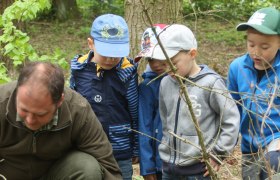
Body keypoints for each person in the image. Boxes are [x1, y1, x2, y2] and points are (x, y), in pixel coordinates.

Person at [146, 24, 240, 179]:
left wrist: (219, 153)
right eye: (164, 64)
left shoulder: (211, 83)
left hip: (199, 167)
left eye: (173, 64)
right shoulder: (165, 83)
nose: (168, 69)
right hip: (169, 166)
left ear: (192, 54)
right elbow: (165, 120)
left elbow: (231, 119)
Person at [0, 61, 122, 180]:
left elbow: (108, 166)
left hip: (53, 173)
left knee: (87, 167)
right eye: (24, 110)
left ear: (59, 101)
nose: (30, 120)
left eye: (40, 114)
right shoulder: (1, 102)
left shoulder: (78, 110)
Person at [70, 14, 138, 180]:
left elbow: (135, 112)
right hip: (85, 146)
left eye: (116, 54)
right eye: (106, 53)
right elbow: (71, 108)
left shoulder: (126, 73)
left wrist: (136, 148)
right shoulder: (79, 71)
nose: (110, 59)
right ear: (91, 44)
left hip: (119, 149)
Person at [227, 7, 280, 180]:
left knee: (273, 164)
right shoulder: (237, 68)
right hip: (250, 147)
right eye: (251, 44)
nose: (256, 52)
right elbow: (231, 109)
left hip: (276, 143)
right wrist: (227, 145)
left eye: (264, 46)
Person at [136, 24, 168, 180]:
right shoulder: (148, 87)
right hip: (159, 164)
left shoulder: (189, 82)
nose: (155, 64)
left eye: (159, 56)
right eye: (150, 58)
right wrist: (148, 168)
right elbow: (144, 127)